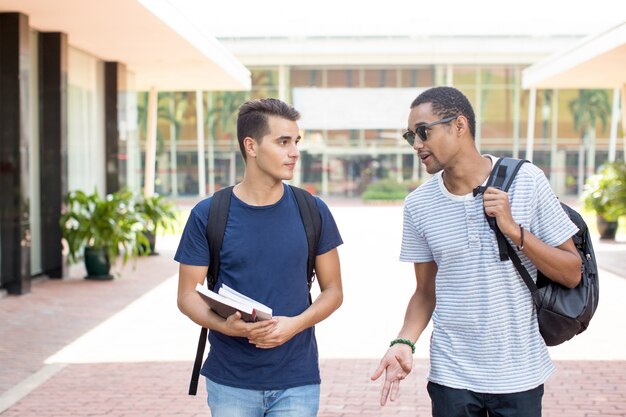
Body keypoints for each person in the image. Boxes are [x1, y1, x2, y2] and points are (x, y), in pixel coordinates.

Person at [371, 86, 581, 417]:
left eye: (423, 132)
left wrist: (513, 229)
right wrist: (403, 342)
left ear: (459, 125)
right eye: (409, 135)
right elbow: (425, 292)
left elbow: (572, 271)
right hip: (451, 374)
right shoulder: (418, 205)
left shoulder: (526, 180)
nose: (416, 144)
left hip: (519, 373)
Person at [175, 98, 343, 416]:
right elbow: (186, 296)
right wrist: (227, 327)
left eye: (296, 142)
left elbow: (333, 291)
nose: (294, 152)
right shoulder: (208, 214)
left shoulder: (313, 210)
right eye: (283, 142)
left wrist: (294, 325)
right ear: (250, 146)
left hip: (297, 381)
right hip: (231, 382)